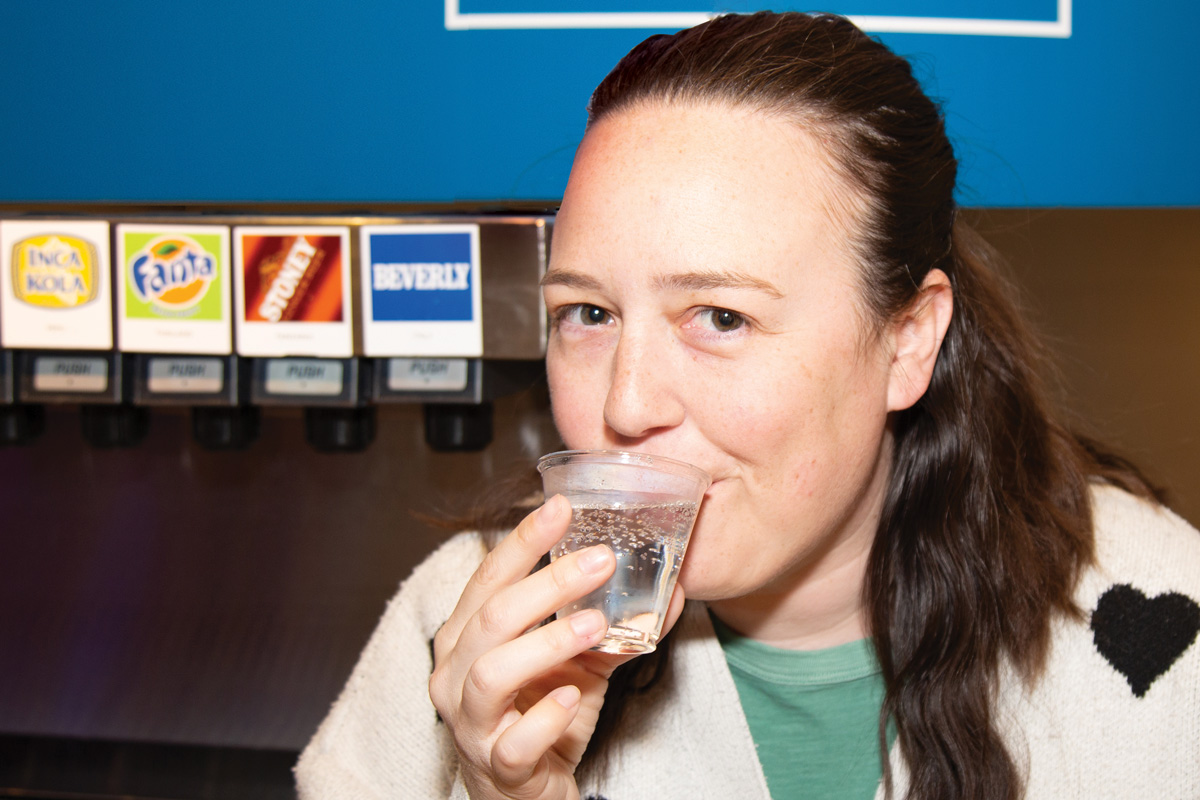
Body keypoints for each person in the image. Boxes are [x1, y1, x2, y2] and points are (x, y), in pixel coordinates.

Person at [296, 11, 1200, 799]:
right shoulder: (458, 635)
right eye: (587, 313)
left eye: (721, 316)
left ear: (908, 341)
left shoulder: (1161, 615)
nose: (627, 401)